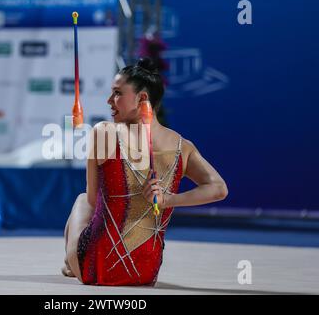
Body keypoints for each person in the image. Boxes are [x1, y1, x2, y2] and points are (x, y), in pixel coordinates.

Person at [62, 58, 228, 285]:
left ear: (142, 98)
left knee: (82, 200)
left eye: (117, 93)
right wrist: (168, 200)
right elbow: (219, 189)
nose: (109, 100)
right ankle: (70, 263)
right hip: (146, 273)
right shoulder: (182, 145)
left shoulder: (104, 133)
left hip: (97, 268)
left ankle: (70, 263)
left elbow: (93, 201)